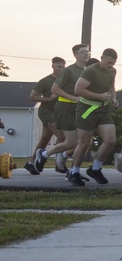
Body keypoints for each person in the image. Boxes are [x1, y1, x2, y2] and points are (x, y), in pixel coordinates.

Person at [67, 48, 119, 187]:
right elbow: (78, 90)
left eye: (113, 63)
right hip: (87, 109)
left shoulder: (112, 71)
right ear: (102, 58)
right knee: (84, 143)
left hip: (103, 109)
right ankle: (75, 171)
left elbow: (111, 86)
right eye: (108, 62)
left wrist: (112, 98)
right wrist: (99, 96)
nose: (110, 65)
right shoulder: (91, 71)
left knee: (110, 140)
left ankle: (95, 168)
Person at [44, 44, 91, 177]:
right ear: (75, 55)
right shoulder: (69, 71)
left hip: (82, 108)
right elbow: (55, 89)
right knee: (71, 142)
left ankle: (72, 170)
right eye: (82, 52)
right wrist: (73, 98)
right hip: (66, 107)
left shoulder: (88, 71)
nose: (86, 54)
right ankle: (43, 154)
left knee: (85, 142)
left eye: (87, 51)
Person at [26, 56, 66, 174]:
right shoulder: (45, 81)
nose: (61, 69)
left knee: (44, 139)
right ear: (52, 66)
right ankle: (57, 163)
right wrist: (48, 99)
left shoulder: (65, 80)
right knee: (61, 135)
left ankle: (31, 163)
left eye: (63, 67)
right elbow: (32, 97)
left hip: (59, 112)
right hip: (46, 112)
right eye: (59, 66)